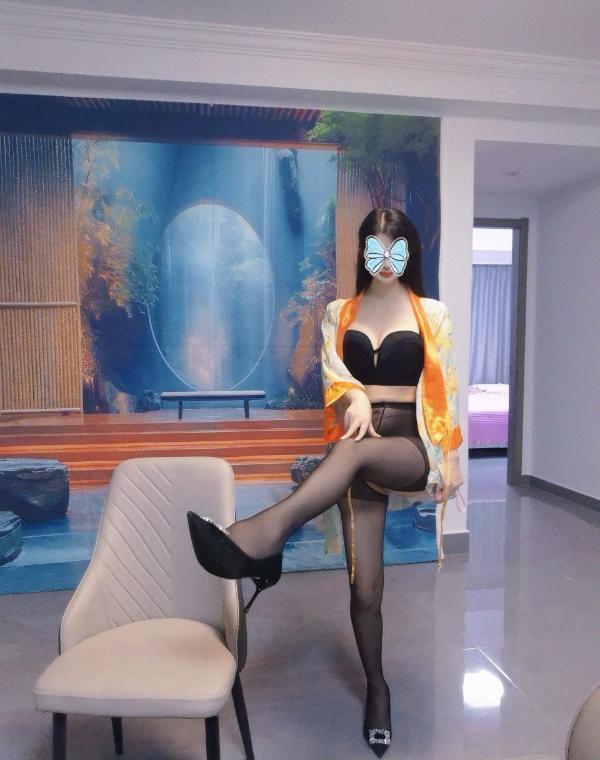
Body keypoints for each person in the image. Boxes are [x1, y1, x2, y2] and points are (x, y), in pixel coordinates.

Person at [187, 207, 464, 756]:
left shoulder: (432, 313)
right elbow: (335, 372)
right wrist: (355, 394)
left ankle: (262, 536)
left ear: (409, 252)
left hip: (407, 446)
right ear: (362, 253)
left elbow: (447, 386)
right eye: (375, 250)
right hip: (354, 449)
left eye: (396, 250)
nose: (385, 262)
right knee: (364, 589)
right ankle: (377, 689)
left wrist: (453, 460)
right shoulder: (340, 312)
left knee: (350, 453)